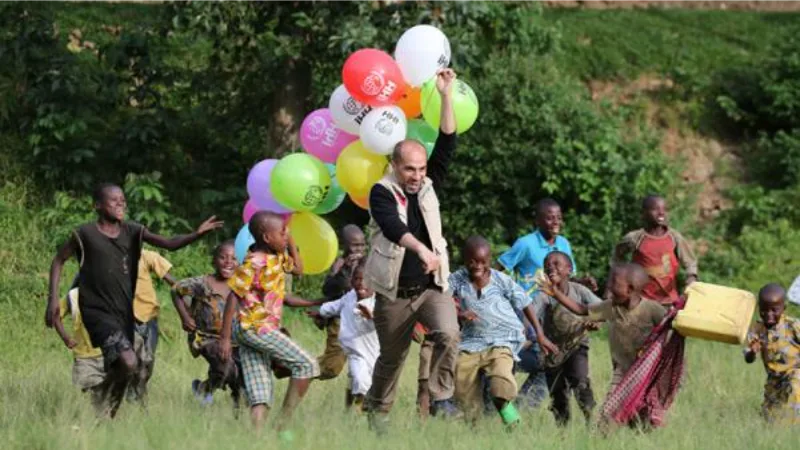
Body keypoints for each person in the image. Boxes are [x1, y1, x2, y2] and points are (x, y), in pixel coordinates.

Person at [45, 183, 223, 418]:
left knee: (125, 368)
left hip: (124, 313)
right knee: (128, 362)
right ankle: (102, 399)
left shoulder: (132, 231)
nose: (121, 204)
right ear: (97, 205)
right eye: (114, 200)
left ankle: (105, 413)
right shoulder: (84, 234)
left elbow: (169, 243)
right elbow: (58, 261)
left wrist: (196, 234)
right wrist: (52, 301)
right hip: (97, 311)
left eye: (123, 200)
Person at [363, 68, 460, 431]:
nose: (416, 175)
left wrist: (446, 94)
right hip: (394, 293)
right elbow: (393, 227)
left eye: (420, 169)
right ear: (395, 167)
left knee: (449, 334)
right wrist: (421, 249)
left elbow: (448, 141)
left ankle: (441, 398)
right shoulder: (381, 192)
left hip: (431, 286)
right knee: (392, 359)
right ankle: (377, 413)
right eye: (409, 169)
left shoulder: (430, 183)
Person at [219, 211, 321, 435]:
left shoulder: (277, 256)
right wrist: (225, 339)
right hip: (255, 327)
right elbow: (233, 296)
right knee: (307, 365)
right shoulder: (252, 263)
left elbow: (299, 269)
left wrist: (290, 237)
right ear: (266, 237)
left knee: (260, 391)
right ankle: (281, 426)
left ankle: (258, 441)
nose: (286, 236)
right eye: (282, 233)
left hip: (256, 329)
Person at [450, 236, 557, 426]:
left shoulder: (501, 280)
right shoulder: (458, 279)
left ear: (490, 261)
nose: (477, 266)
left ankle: (512, 420)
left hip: (503, 340)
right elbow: (444, 299)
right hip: (472, 342)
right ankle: (474, 428)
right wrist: (459, 313)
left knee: (500, 384)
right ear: (464, 260)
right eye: (472, 261)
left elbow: (525, 304)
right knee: (462, 386)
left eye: (483, 262)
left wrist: (539, 335)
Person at [498, 198, 594, 408]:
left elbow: (568, 276)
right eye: (550, 218)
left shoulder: (563, 244)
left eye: (559, 217)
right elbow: (499, 268)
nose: (555, 222)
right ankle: (497, 394)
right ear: (538, 220)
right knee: (523, 356)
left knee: (549, 361)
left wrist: (582, 282)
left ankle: (522, 405)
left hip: (552, 312)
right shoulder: (526, 244)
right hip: (527, 311)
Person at [545, 264, 668, 401]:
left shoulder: (652, 309)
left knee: (646, 408)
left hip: (649, 371)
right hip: (621, 372)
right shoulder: (611, 307)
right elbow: (581, 310)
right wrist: (556, 294)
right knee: (610, 413)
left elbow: (670, 330)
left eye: (614, 284)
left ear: (630, 289)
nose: (609, 287)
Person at [172, 240, 243, 409]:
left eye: (233, 258)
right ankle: (205, 388)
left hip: (235, 340)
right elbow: (175, 290)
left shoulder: (242, 286)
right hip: (206, 338)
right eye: (223, 257)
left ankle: (237, 409)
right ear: (214, 261)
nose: (228, 262)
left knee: (242, 378)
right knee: (225, 366)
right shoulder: (201, 284)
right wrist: (184, 317)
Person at [534, 251, 601, 426]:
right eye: (547, 264)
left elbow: (601, 311)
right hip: (552, 352)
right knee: (558, 396)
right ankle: (562, 433)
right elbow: (531, 317)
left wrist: (594, 322)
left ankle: (590, 420)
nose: (551, 267)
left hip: (576, 345)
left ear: (569, 270)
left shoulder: (579, 291)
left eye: (556, 264)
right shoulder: (543, 295)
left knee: (580, 380)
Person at [313, 262, 378, 411]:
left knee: (371, 383)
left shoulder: (378, 301)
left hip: (376, 353)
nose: (361, 283)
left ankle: (359, 410)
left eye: (366, 280)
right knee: (359, 379)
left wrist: (371, 317)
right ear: (351, 281)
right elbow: (335, 306)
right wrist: (321, 312)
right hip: (355, 351)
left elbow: (385, 322)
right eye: (357, 279)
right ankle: (357, 411)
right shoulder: (349, 297)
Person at [611, 195, 698, 305]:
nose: (661, 213)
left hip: (668, 301)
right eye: (655, 209)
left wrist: (691, 277)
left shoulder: (674, 237)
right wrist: (622, 279)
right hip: (641, 301)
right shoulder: (635, 238)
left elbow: (690, 261)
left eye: (664, 209)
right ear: (644, 213)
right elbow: (617, 257)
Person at [315, 225, 367, 407]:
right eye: (354, 246)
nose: (359, 250)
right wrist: (338, 272)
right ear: (345, 245)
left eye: (362, 245)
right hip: (341, 321)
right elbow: (328, 290)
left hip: (364, 321)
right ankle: (302, 367)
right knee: (332, 367)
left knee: (360, 369)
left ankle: (351, 412)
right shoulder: (339, 265)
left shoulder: (368, 263)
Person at [744, 283, 800, 424]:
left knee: (795, 387)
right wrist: (752, 352)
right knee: (770, 418)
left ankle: (793, 427)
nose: (769, 315)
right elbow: (748, 358)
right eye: (764, 310)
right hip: (774, 379)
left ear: (783, 308)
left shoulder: (792, 326)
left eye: (774, 310)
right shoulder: (757, 329)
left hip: (794, 373)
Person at [128, 249, 177, 402]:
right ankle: (132, 395)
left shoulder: (145, 256)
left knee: (147, 362)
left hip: (149, 318)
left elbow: (169, 278)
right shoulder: (112, 258)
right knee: (132, 360)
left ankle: (139, 393)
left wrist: (185, 290)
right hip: (126, 319)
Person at [52, 287, 107, 414]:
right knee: (94, 391)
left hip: (107, 355)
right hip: (84, 357)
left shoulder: (109, 289)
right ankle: (100, 420)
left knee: (107, 395)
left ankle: (103, 421)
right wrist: (66, 338)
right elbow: (56, 315)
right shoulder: (73, 295)